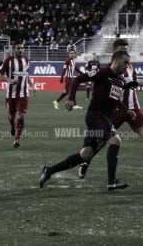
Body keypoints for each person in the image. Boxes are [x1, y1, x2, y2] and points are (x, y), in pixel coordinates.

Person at [78, 38, 143, 183]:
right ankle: (86, 161)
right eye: (122, 50)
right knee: (102, 141)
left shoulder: (128, 65)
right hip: (116, 109)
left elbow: (135, 80)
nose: (125, 53)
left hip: (133, 108)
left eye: (126, 50)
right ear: (115, 50)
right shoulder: (109, 69)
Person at [39, 50, 136, 190]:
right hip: (95, 115)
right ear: (116, 60)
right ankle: (111, 181)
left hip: (103, 118)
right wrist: (71, 98)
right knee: (115, 140)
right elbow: (77, 80)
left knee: (85, 154)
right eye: (125, 62)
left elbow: (114, 100)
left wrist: (125, 110)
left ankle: (49, 171)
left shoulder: (120, 80)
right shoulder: (102, 73)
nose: (127, 66)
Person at [0, 41, 37, 148]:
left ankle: (17, 139)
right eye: (18, 48)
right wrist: (10, 81)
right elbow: (0, 76)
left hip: (23, 94)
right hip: (10, 95)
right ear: (14, 49)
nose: (21, 50)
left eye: (22, 48)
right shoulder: (8, 61)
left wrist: (32, 85)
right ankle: (12, 125)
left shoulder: (27, 61)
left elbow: (26, 75)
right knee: (11, 116)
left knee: (20, 116)